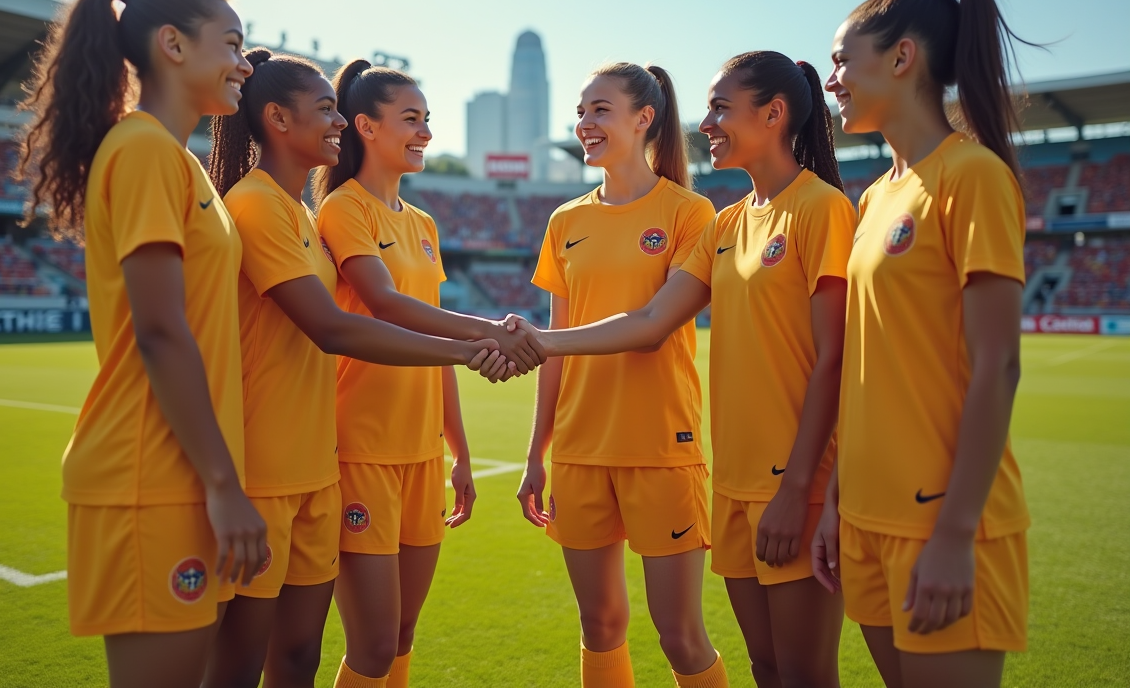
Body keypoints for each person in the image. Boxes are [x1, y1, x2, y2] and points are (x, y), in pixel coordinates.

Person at [512, 53, 853, 687]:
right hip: (717, 476)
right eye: (580, 111)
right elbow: (626, 324)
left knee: (769, 661)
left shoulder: (788, 210)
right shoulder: (723, 224)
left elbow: (832, 356)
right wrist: (540, 395)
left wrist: (799, 486)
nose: (707, 122)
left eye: (721, 108)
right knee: (763, 665)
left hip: (750, 473)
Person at [200, 48, 508, 688]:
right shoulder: (269, 205)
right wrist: (481, 343)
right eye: (326, 112)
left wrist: (458, 444)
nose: (337, 122)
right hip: (288, 461)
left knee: (306, 655)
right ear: (279, 119)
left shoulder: (310, 219)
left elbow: (406, 315)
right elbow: (341, 324)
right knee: (246, 660)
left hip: (323, 463)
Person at [15, 0, 267, 688]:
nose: (245, 63)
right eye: (233, 44)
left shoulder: (177, 160)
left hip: (178, 475)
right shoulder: (145, 150)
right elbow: (160, 331)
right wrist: (224, 484)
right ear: (173, 45)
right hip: (147, 478)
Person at [812, 0, 1032, 688]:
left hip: (942, 528)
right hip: (867, 522)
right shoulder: (875, 197)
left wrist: (956, 536)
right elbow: (870, 368)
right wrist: (838, 500)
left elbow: (998, 363)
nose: (832, 78)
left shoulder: (971, 176)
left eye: (843, 59)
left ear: (902, 57)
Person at [312, 59, 545, 688]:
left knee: (403, 635)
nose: (425, 134)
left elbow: (431, 331)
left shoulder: (422, 224)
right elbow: (385, 304)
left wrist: (459, 453)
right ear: (365, 125)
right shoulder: (343, 209)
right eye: (411, 120)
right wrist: (490, 334)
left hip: (420, 458)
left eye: (426, 121)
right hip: (360, 449)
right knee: (373, 644)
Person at [513, 63, 726, 688]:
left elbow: (652, 326)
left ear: (644, 119)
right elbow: (552, 354)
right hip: (580, 453)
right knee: (599, 626)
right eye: (581, 112)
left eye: (600, 110)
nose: (585, 123)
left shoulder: (692, 213)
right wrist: (536, 455)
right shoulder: (565, 222)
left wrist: (540, 340)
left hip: (660, 449)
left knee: (680, 635)